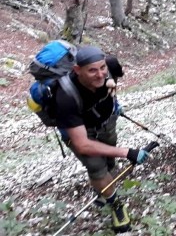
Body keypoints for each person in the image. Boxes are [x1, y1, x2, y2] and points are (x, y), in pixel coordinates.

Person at [55, 46, 150, 233]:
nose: (100, 75)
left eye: (102, 68)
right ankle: (116, 205)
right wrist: (128, 152)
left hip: (107, 123)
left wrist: (115, 104)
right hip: (82, 134)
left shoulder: (111, 66)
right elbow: (83, 145)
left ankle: (104, 190)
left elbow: (114, 80)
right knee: (97, 168)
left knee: (108, 162)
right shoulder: (65, 96)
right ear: (77, 70)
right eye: (92, 70)